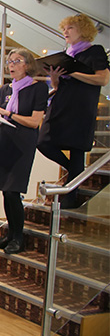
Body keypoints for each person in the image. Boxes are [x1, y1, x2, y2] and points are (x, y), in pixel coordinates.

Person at [38, 14, 110, 208]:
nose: (65, 32)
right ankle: (76, 172)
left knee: (76, 150)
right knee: (43, 141)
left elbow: (102, 79)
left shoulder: (94, 51)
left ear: (83, 30)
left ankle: (71, 197)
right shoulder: (68, 53)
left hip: (81, 106)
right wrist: (54, 77)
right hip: (62, 102)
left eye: (70, 28)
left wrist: (73, 73)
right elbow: (60, 84)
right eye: (64, 28)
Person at [0, 49, 48, 254]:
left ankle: (18, 237)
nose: (11, 65)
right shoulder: (5, 89)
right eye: (9, 61)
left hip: (22, 144)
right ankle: (9, 236)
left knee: (14, 191)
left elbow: (33, 122)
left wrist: (8, 113)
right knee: (5, 191)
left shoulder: (38, 88)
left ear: (28, 65)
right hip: (4, 141)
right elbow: (4, 118)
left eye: (17, 61)